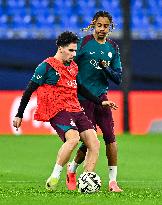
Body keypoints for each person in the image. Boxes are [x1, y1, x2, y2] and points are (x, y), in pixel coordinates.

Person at [13, 31, 118, 191]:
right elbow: (29, 91)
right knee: (73, 139)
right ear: (60, 48)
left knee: (94, 143)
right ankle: (54, 176)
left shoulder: (74, 67)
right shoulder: (46, 67)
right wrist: (19, 114)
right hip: (57, 109)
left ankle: (86, 180)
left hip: (75, 109)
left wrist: (101, 102)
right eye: (71, 50)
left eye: (75, 50)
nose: (74, 54)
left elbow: (80, 88)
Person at [66, 11, 123, 192]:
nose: (102, 29)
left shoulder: (112, 48)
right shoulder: (83, 43)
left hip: (102, 98)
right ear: (94, 25)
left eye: (106, 26)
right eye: (99, 25)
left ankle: (113, 182)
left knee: (110, 138)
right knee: (88, 142)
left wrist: (106, 69)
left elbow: (118, 78)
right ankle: (72, 169)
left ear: (110, 27)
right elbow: (69, 62)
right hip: (82, 99)